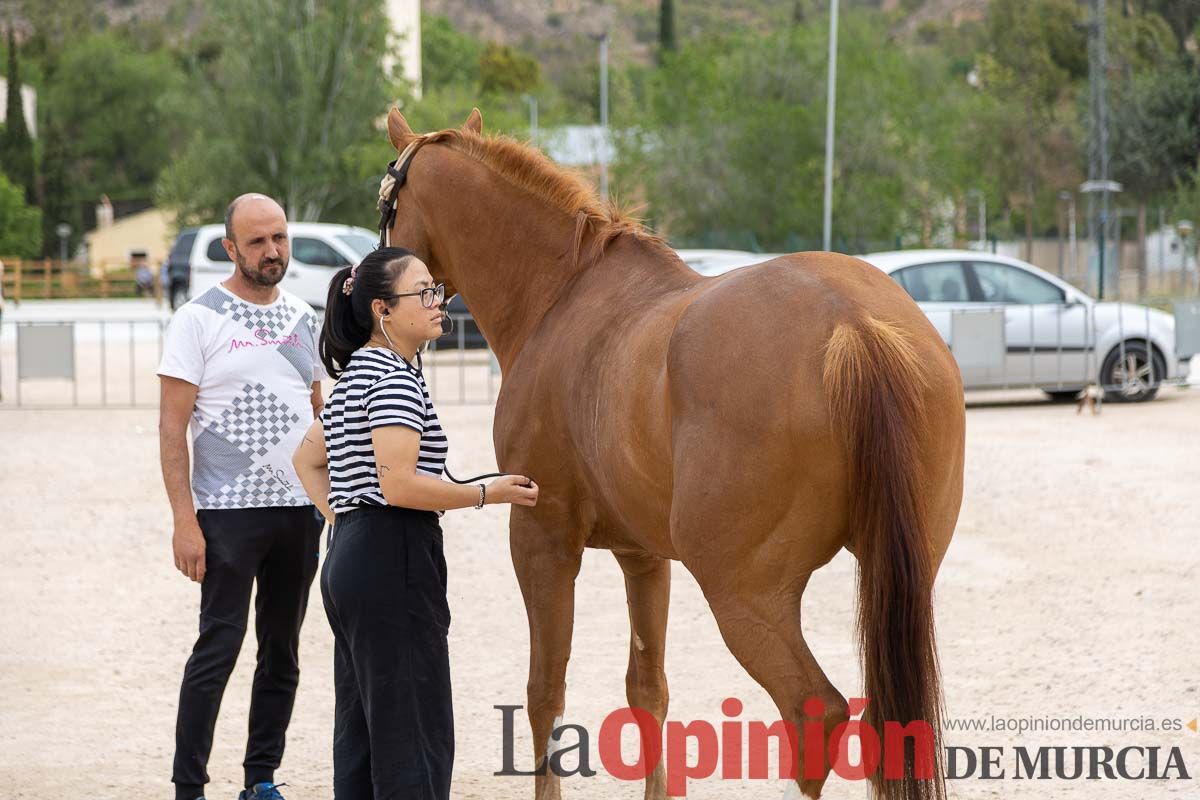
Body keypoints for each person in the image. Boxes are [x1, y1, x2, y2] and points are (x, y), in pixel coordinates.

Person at [292, 246, 538, 799]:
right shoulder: (394, 378)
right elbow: (399, 484)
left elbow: (306, 460)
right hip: (391, 553)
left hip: (355, 554)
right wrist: (486, 492)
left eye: (437, 290)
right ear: (383, 309)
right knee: (414, 735)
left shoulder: (356, 372)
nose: (438, 300)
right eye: (424, 292)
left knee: (363, 734)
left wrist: (346, 520)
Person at [157, 193, 326, 800]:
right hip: (226, 515)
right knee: (218, 650)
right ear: (231, 248)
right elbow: (170, 426)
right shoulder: (197, 319)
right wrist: (185, 520)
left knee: (282, 652)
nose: (272, 250)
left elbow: (318, 414)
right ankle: (189, 787)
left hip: (299, 515)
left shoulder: (305, 317)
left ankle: (261, 779)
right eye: (257, 241)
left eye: (279, 237)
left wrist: (330, 502)